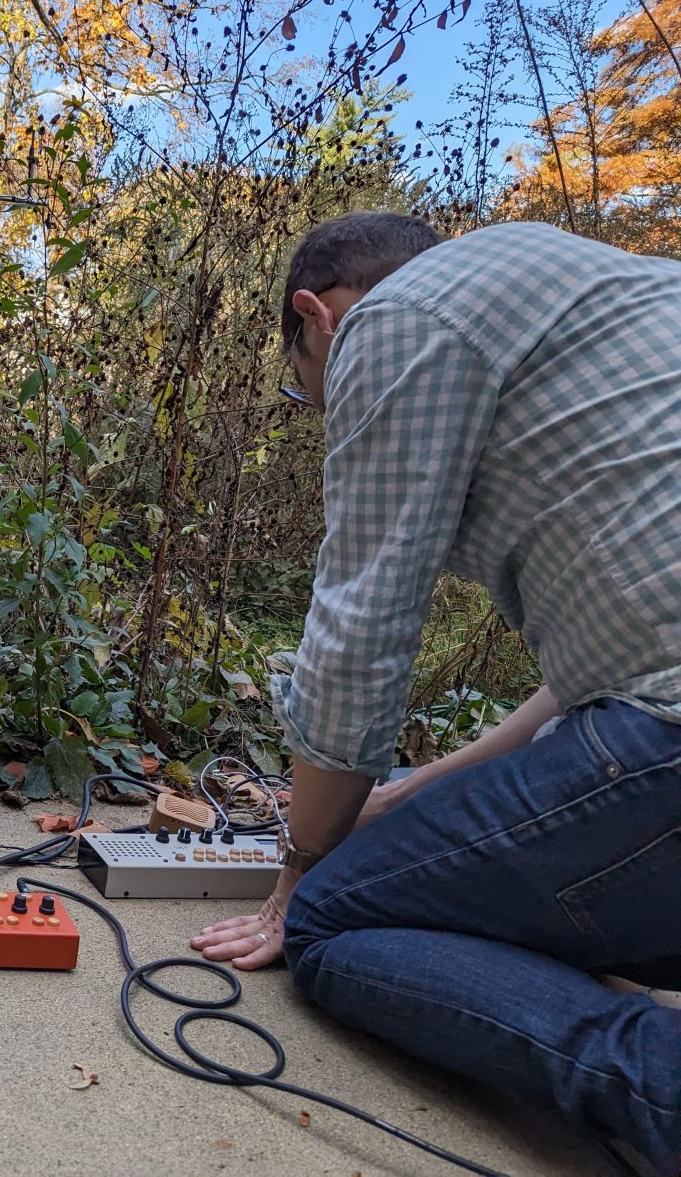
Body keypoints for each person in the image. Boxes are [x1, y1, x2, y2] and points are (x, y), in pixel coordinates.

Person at [188, 213, 681, 1172]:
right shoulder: (598, 288)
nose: (319, 405)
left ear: (316, 320)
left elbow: (362, 624)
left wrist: (303, 865)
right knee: (489, 907)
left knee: (338, 923)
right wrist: (401, 797)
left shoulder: (397, 319)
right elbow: (584, 691)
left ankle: (653, 1080)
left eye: (303, 391)